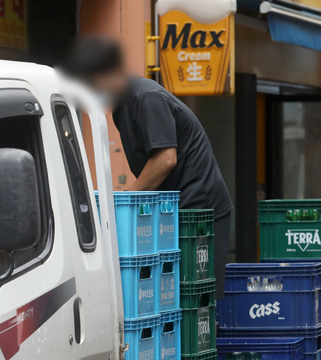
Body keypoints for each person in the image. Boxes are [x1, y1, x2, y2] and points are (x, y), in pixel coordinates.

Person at [61, 35, 233, 300]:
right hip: (174, 209)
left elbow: (165, 159)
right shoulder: (121, 107)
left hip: (198, 210)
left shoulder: (146, 97)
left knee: (194, 297)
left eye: (93, 85)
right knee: (170, 295)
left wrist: (125, 202)